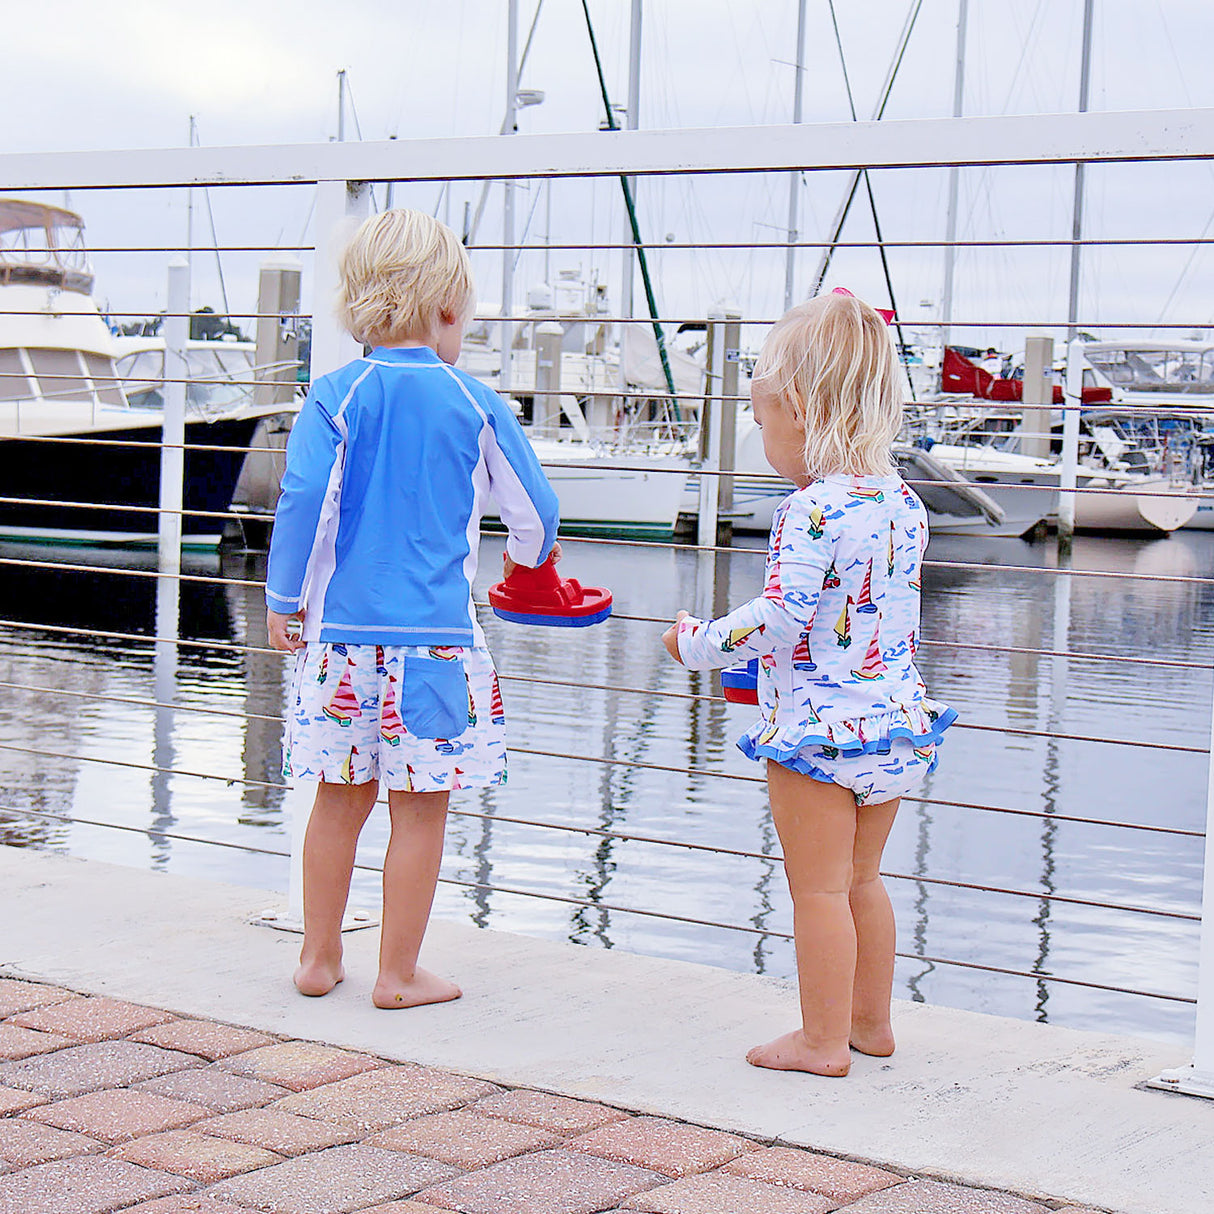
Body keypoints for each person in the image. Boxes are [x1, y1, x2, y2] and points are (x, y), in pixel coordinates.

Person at [265, 208, 559, 1009]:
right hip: (437, 646)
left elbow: (301, 503)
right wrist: (526, 566)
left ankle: (319, 958)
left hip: (338, 643)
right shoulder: (475, 402)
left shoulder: (336, 394)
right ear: (448, 311)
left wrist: (283, 600)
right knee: (419, 815)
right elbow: (536, 511)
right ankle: (397, 975)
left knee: (336, 801)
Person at [662, 290, 955, 1076]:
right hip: (893, 728)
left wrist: (698, 643)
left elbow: (783, 618)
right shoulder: (904, 502)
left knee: (817, 892)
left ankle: (821, 1043)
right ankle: (871, 1025)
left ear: (797, 408)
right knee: (864, 879)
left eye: (761, 422)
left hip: (819, 736)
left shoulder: (810, 509)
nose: (761, 437)